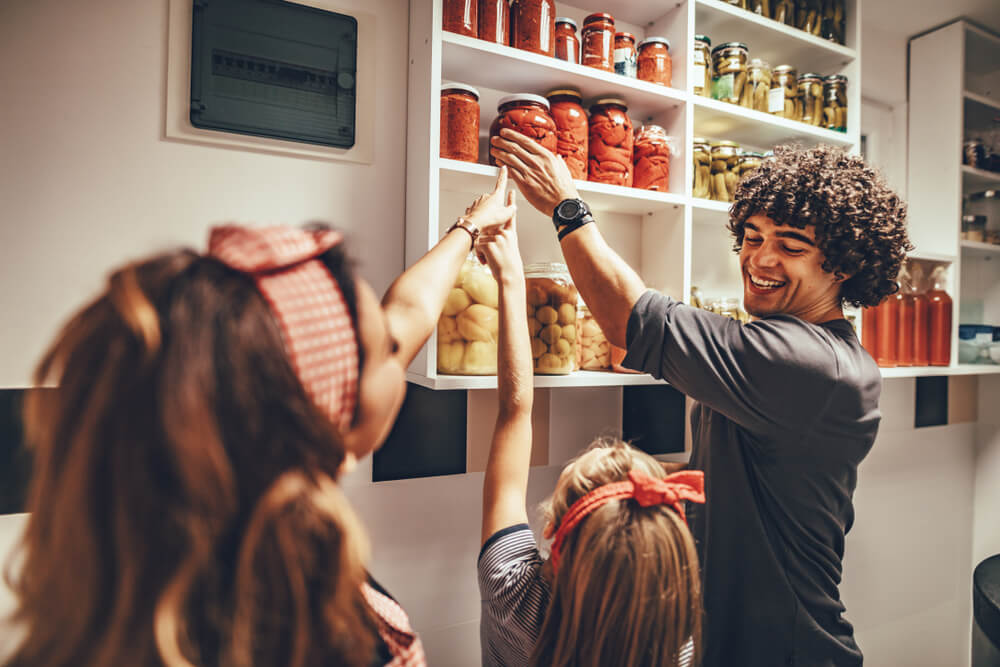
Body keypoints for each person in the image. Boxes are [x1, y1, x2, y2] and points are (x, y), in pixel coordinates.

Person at [2, 170, 516, 667]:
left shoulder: (117, 593)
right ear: (320, 421)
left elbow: (409, 310)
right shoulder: (332, 641)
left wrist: (471, 226)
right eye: (388, 350)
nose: (399, 343)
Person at [490, 133, 911, 666]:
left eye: (791, 247)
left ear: (843, 265)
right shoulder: (815, 354)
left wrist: (566, 207)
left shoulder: (804, 363)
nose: (761, 258)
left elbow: (627, 320)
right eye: (753, 237)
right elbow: (740, 473)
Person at [473, 201, 705, 667]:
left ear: (554, 537)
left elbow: (515, 412)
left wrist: (511, 277)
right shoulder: (676, 642)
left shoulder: (514, 596)